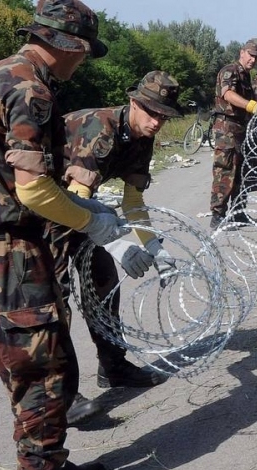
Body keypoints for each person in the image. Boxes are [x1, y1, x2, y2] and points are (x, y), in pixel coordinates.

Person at [0, 0, 126, 470]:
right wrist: (92, 222)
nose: (83, 63)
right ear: (67, 45)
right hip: (6, 246)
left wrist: (81, 202)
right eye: (84, 52)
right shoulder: (31, 88)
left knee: (35, 357)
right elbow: (33, 190)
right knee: (41, 364)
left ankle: (49, 463)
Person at [50, 71, 183, 425]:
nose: (157, 122)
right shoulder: (101, 128)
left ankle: (114, 367)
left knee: (104, 286)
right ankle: (62, 396)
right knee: (56, 301)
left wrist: (152, 245)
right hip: (48, 211)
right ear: (133, 103)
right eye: (151, 112)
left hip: (84, 207)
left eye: (163, 116)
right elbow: (76, 199)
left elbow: (133, 199)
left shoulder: (141, 135)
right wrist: (117, 242)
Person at [210, 38, 257, 230]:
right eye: (250, 55)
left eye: (256, 57)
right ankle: (217, 214)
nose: (253, 60)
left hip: (242, 128)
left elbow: (250, 98)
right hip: (227, 128)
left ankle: (238, 212)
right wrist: (254, 106)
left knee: (242, 171)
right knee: (225, 170)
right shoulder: (230, 71)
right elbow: (229, 95)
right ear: (242, 52)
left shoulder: (245, 76)